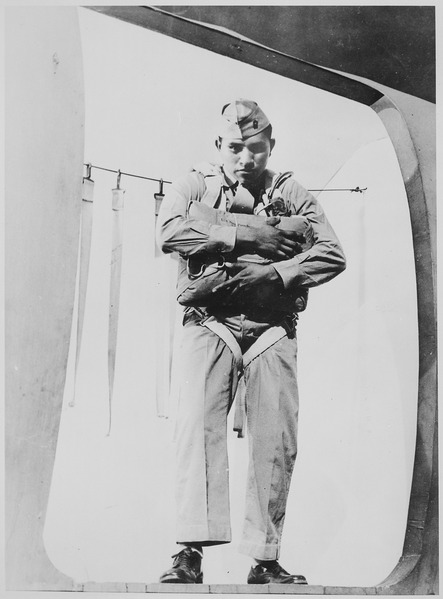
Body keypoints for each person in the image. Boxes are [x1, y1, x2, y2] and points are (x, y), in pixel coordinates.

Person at [155, 99, 346, 585]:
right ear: (219, 145)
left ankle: (265, 557)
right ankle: (188, 552)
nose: (245, 158)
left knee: (276, 439)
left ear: (270, 147)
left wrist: (276, 272)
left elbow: (331, 252)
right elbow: (172, 231)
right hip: (209, 320)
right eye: (235, 147)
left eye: (255, 148)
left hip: (271, 328)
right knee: (195, 428)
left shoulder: (291, 193)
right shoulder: (193, 185)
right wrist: (248, 237)